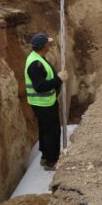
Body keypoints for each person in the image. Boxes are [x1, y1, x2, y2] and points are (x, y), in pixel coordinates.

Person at [24, 33, 68, 171]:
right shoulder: (35, 64)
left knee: (45, 130)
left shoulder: (37, 58)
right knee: (52, 132)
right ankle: (51, 161)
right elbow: (40, 86)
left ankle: (45, 156)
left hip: (44, 102)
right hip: (44, 103)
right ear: (44, 46)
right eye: (48, 43)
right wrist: (59, 79)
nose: (50, 45)